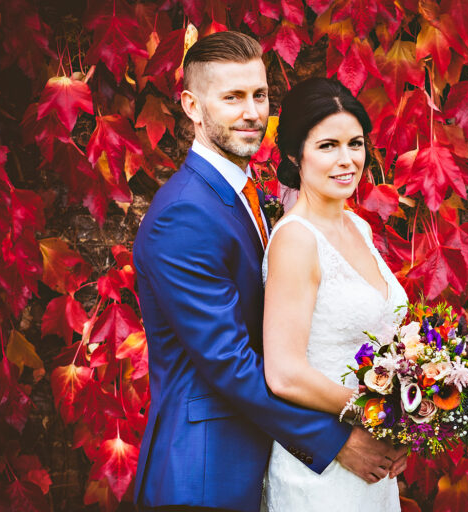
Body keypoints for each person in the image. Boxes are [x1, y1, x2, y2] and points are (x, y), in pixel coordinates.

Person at [132, 31, 405, 512]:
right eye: (232, 97)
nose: (252, 112)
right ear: (192, 106)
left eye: (259, 95)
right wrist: (337, 439)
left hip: (261, 457)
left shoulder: (247, 196)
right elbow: (230, 362)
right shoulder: (183, 213)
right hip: (205, 475)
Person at [260, 77, 409, 511]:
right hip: (321, 475)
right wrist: (378, 411)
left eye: (355, 144)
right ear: (295, 154)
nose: (347, 160)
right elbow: (284, 373)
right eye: (328, 146)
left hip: (373, 467)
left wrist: (407, 418)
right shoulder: (296, 240)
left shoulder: (357, 226)